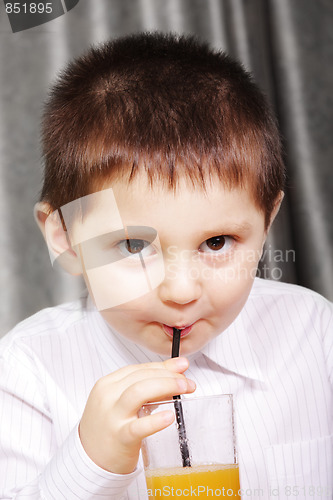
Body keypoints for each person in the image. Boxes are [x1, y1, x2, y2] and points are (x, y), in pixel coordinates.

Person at [0, 32, 332, 500]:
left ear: (268, 223)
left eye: (217, 242)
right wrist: (90, 464)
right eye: (134, 245)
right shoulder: (29, 368)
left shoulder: (315, 335)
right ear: (66, 239)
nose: (180, 291)